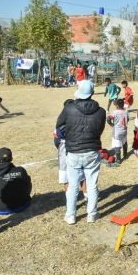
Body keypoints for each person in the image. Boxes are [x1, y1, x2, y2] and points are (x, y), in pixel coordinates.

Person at [55, 80, 106, 224]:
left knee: (72, 185)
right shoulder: (101, 111)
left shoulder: (69, 109)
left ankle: (71, 215)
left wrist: (71, 134)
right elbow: (100, 130)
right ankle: (92, 214)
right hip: (92, 151)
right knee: (92, 184)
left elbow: (59, 126)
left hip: (74, 151)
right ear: (92, 93)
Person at [53, 100, 87, 196]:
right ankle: (86, 195)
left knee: (65, 176)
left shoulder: (60, 122)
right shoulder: (81, 119)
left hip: (64, 148)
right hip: (78, 148)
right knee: (81, 173)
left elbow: (56, 140)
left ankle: (70, 200)